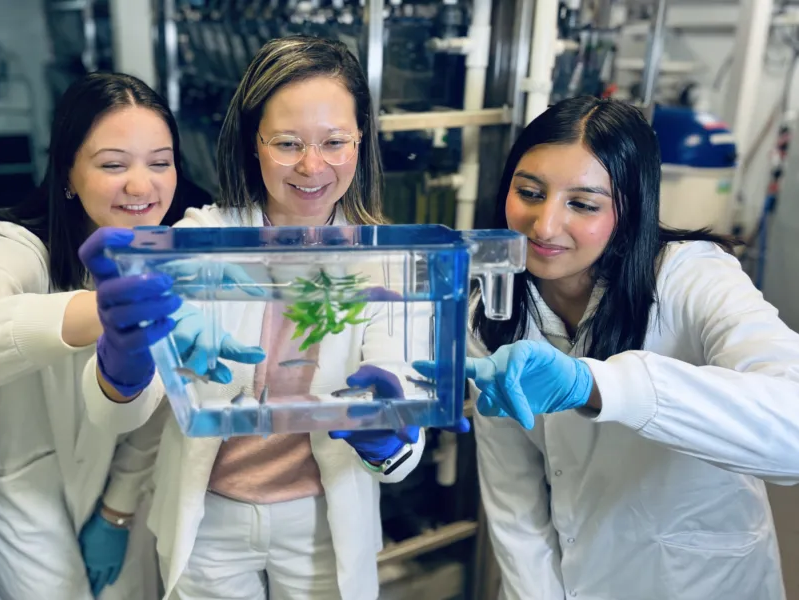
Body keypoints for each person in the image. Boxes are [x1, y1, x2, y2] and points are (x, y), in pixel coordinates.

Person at [76, 36, 466, 600]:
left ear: (361, 142)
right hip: (210, 517)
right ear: (253, 143)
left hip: (321, 521)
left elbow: (402, 445)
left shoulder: (388, 258)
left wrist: (388, 433)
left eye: (335, 142)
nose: (313, 166)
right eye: (287, 142)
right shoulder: (196, 242)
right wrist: (123, 365)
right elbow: (121, 414)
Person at [416, 96, 799, 599]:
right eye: (529, 192)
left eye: (583, 204)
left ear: (629, 209)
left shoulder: (690, 276)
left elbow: (791, 433)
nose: (545, 226)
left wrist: (597, 385)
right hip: (580, 579)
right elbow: (514, 500)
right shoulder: (491, 310)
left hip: (703, 582)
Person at [0, 72, 212, 599]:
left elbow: (162, 405)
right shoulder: (17, 249)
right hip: (18, 493)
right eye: (114, 164)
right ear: (68, 172)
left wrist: (117, 509)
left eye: (160, 163)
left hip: (121, 486)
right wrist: (97, 312)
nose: (142, 185)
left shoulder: (179, 247)